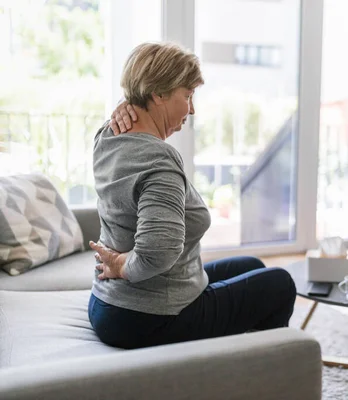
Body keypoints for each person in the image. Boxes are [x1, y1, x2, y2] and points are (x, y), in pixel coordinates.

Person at [88, 42, 297, 350]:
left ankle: (234, 357)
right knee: (280, 284)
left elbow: (136, 94)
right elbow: (156, 253)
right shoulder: (157, 160)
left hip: (108, 304)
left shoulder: (107, 136)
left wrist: (127, 101)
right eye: (187, 96)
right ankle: (254, 372)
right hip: (148, 316)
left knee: (249, 264)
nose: (192, 108)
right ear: (158, 94)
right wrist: (120, 266)